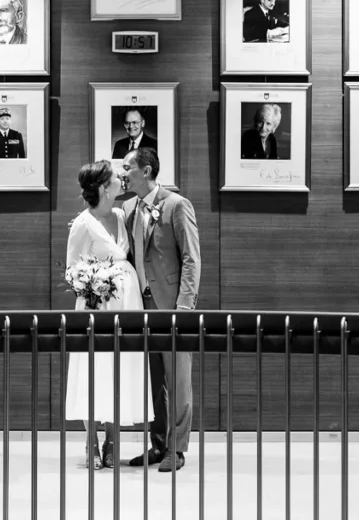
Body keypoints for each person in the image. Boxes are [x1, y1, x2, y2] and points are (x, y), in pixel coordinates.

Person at [64, 160, 154, 470]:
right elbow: (71, 268)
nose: (122, 178)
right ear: (104, 187)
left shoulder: (120, 215)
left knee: (118, 369)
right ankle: (91, 440)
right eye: (117, 176)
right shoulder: (82, 223)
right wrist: (91, 285)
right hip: (95, 306)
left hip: (126, 303)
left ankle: (113, 440)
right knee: (95, 369)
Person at [122, 148, 201, 473]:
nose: (122, 174)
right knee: (155, 381)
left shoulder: (176, 205)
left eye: (127, 168)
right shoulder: (128, 207)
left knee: (178, 381)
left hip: (172, 306)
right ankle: (158, 445)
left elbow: (191, 259)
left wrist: (184, 307)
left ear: (147, 170)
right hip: (142, 307)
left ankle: (177, 450)